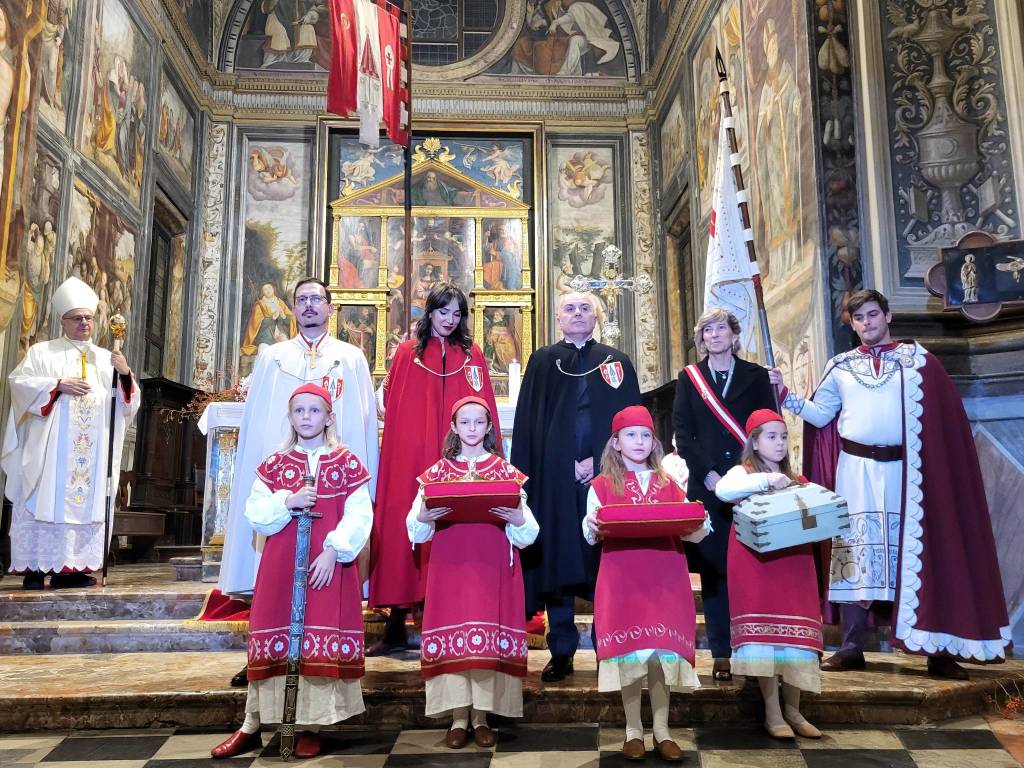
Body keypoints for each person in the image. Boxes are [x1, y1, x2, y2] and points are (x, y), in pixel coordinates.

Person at [770, 289, 1010, 678]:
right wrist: (786, 395)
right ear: (853, 324)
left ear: (888, 315)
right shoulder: (841, 366)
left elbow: (941, 423)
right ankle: (850, 646)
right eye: (859, 319)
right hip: (855, 470)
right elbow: (820, 415)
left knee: (921, 552)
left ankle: (937, 649)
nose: (867, 323)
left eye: (872, 315)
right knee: (854, 552)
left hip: (909, 472)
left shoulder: (919, 362)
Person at [219, 278, 378, 686]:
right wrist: (272, 481)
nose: (309, 306)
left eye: (316, 300)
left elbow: (361, 424)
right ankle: (262, 655)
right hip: (282, 484)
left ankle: (325, 656)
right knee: (271, 575)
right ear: (293, 308)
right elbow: (258, 424)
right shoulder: (273, 357)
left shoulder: (351, 357)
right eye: (302, 300)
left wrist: (356, 477)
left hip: (333, 483)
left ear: (330, 306)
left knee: (327, 579)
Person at [211, 383, 372, 760]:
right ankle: (252, 723)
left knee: (318, 637)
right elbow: (256, 512)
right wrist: (289, 499)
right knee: (273, 635)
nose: (306, 418)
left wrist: (334, 550)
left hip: (325, 567)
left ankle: (311, 726)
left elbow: (360, 513)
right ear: (291, 417)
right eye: (299, 411)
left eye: (314, 411)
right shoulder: (276, 464)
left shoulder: (345, 462)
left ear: (329, 417)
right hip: (282, 567)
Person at [511, 291, 640, 683]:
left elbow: (630, 420)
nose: (578, 313)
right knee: (559, 559)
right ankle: (562, 650)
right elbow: (530, 424)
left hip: (608, 477)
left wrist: (597, 462)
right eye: (570, 308)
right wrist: (560, 462)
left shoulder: (616, 362)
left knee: (606, 563)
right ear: (557, 318)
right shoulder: (542, 361)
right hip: (556, 478)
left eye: (586, 308)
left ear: (597, 316)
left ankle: (610, 648)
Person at [369, 282, 501, 654]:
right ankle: (395, 621)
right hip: (411, 454)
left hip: (457, 455)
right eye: (443, 312)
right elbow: (394, 407)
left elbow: (483, 405)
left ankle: (441, 617)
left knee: (450, 529)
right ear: (430, 312)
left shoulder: (471, 353)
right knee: (402, 526)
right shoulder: (408, 353)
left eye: (457, 314)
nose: (449, 320)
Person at [407, 396, 538, 749]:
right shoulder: (437, 473)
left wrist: (517, 518)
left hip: (491, 569)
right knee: (456, 640)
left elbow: (529, 533)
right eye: (464, 422)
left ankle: (481, 717)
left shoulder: (505, 472)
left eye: (479, 422)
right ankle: (457, 718)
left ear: (489, 427)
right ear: (453, 427)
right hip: (450, 569)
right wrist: (423, 518)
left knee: (484, 639)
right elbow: (416, 529)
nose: (472, 429)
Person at [582, 405, 706, 762]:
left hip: (665, 576)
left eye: (645, 435)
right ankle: (633, 730)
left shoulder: (670, 484)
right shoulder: (601, 486)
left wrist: (699, 520)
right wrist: (592, 523)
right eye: (630, 435)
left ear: (654, 442)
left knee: (660, 656)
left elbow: (694, 532)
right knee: (631, 657)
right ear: (616, 443)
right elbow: (590, 535)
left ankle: (663, 731)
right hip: (622, 579)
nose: (639, 441)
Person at [3, 277, 140, 589]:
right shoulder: (42, 353)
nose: (84, 323)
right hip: (51, 454)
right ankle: (36, 568)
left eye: (88, 318)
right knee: (43, 499)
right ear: (63, 321)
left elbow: (128, 403)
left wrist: (125, 374)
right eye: (77, 318)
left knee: (84, 504)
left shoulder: (107, 358)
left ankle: (74, 569)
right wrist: (57, 386)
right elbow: (18, 385)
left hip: (91, 457)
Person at [671, 308, 775, 682]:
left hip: (751, 480)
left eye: (721, 329)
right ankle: (721, 651)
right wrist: (709, 473)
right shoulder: (689, 378)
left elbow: (768, 426)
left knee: (753, 565)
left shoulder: (757, 377)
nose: (714, 336)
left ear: (734, 336)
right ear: (702, 339)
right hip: (709, 485)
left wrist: (753, 472)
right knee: (716, 570)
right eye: (707, 331)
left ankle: (754, 646)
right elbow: (683, 433)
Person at [715, 409, 823, 740]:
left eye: (784, 436)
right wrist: (766, 480)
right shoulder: (742, 472)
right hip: (756, 564)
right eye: (771, 437)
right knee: (767, 640)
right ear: (755, 442)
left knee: (795, 641)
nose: (779, 443)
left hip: (794, 564)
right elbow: (723, 489)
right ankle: (773, 712)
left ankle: (794, 709)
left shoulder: (798, 479)